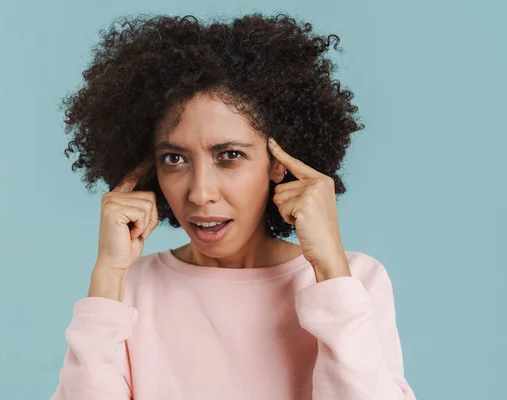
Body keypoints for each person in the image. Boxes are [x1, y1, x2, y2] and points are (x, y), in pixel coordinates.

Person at [50, 13, 417, 400]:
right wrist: (108, 275)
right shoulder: (129, 289)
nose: (200, 193)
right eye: (175, 159)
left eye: (229, 155)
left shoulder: (352, 282)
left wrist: (329, 270)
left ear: (279, 162)